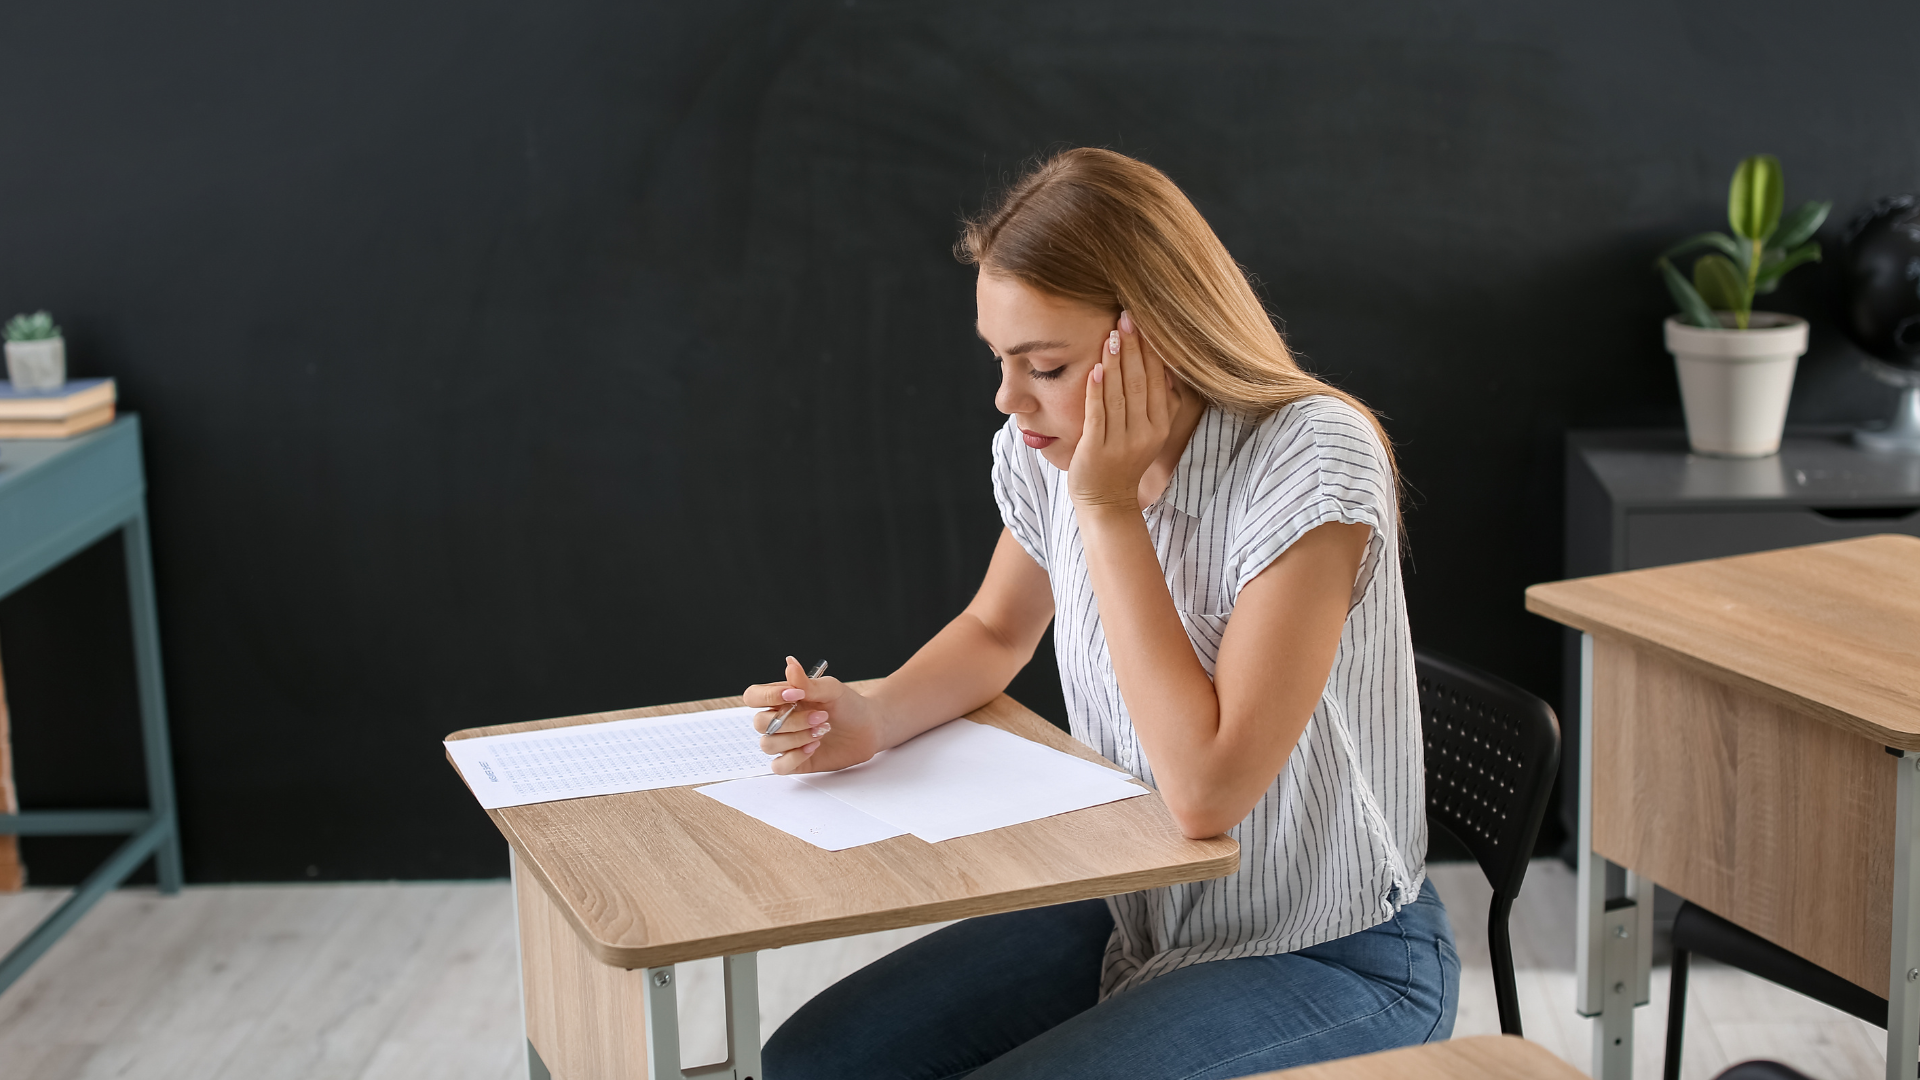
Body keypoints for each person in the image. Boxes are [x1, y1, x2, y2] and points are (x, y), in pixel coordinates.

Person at [742, 148, 1457, 1079]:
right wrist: (874, 714)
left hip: (1334, 951)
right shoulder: (1048, 444)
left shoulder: (1310, 461)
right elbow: (999, 629)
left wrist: (1109, 507)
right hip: (1138, 904)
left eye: (1044, 364)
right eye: (999, 360)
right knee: (816, 1062)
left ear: (1153, 339)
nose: (1008, 399)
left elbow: (1205, 793)